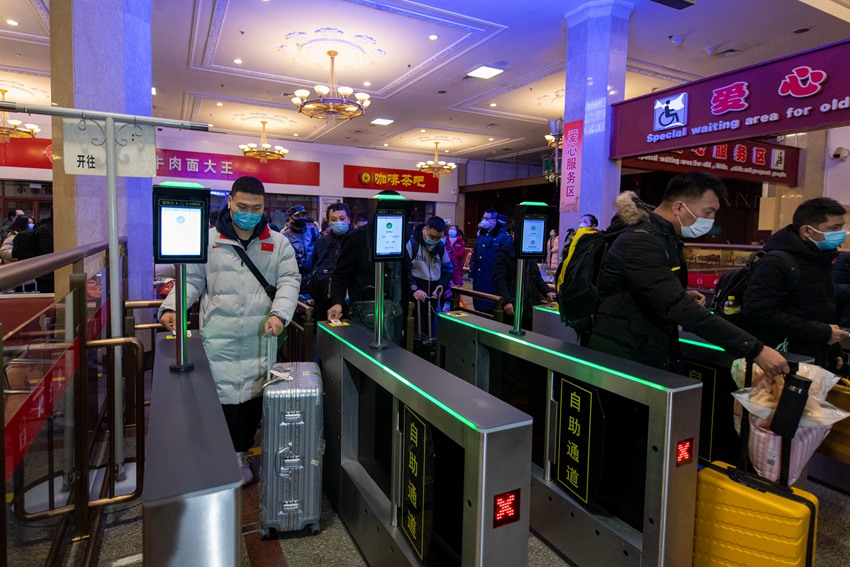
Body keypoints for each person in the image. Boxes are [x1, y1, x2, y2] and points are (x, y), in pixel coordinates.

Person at [157, 176, 300, 485]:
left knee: (250, 402)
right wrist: (173, 306)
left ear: (265, 207)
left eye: (257, 207)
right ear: (231, 203)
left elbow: (289, 281)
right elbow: (192, 279)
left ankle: (239, 454)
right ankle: (215, 455)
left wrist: (280, 314)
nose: (250, 212)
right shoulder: (207, 240)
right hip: (217, 338)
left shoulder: (279, 244)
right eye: (243, 206)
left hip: (259, 338)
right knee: (218, 399)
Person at [589, 172, 788, 379]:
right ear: (678, 207)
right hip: (624, 358)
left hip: (646, 348)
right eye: (708, 212)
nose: (711, 220)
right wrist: (754, 349)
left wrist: (680, 292)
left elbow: (656, 291)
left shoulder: (664, 236)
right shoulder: (640, 242)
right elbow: (678, 308)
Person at [742, 197, 848, 369]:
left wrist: (833, 346)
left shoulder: (822, 258)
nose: (840, 233)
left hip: (814, 355)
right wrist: (822, 333)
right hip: (782, 358)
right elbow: (758, 311)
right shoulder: (777, 261)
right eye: (834, 228)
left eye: (841, 227)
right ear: (807, 231)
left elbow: (819, 309)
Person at [327, 222, 403, 344]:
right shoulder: (357, 237)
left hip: (396, 311)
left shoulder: (400, 235)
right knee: (364, 352)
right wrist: (337, 302)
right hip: (365, 311)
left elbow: (405, 271)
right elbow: (340, 275)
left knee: (393, 355)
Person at [493, 221, 557, 330]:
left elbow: (536, 277)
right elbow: (499, 280)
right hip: (513, 304)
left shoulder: (530, 253)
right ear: (513, 234)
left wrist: (548, 291)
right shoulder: (504, 254)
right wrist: (507, 301)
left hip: (530, 304)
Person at [403, 216, 453, 342]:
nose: (435, 240)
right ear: (425, 230)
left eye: (439, 237)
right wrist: (414, 289)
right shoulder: (411, 243)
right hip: (414, 299)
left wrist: (442, 285)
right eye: (432, 237)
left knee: (434, 334)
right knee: (416, 335)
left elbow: (447, 269)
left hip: (434, 298)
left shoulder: (440, 247)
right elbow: (404, 270)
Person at [309, 202, 352, 321]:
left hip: (350, 300)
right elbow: (314, 267)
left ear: (349, 219)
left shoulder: (356, 240)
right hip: (324, 300)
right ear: (328, 222)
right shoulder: (322, 242)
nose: (338, 222)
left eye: (342, 218)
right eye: (334, 219)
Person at [469, 209, 511, 313]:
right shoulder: (482, 235)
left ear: (494, 221)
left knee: (491, 308)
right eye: (483, 218)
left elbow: (506, 261)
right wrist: (472, 274)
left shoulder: (503, 237)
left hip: (492, 279)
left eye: (487, 218)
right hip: (479, 278)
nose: (484, 220)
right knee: (479, 307)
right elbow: (475, 256)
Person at [282, 204, 321, 297]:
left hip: (314, 277)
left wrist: (313, 262)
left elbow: (321, 250)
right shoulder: (285, 236)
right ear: (291, 218)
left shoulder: (313, 231)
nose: (301, 218)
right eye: (297, 216)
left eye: (302, 215)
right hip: (296, 279)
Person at [446, 224, 467, 294]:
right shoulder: (445, 240)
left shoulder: (460, 241)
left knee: (456, 286)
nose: (452, 230)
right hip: (446, 266)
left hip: (457, 267)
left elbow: (461, 254)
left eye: (454, 229)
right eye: (450, 228)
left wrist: (451, 255)